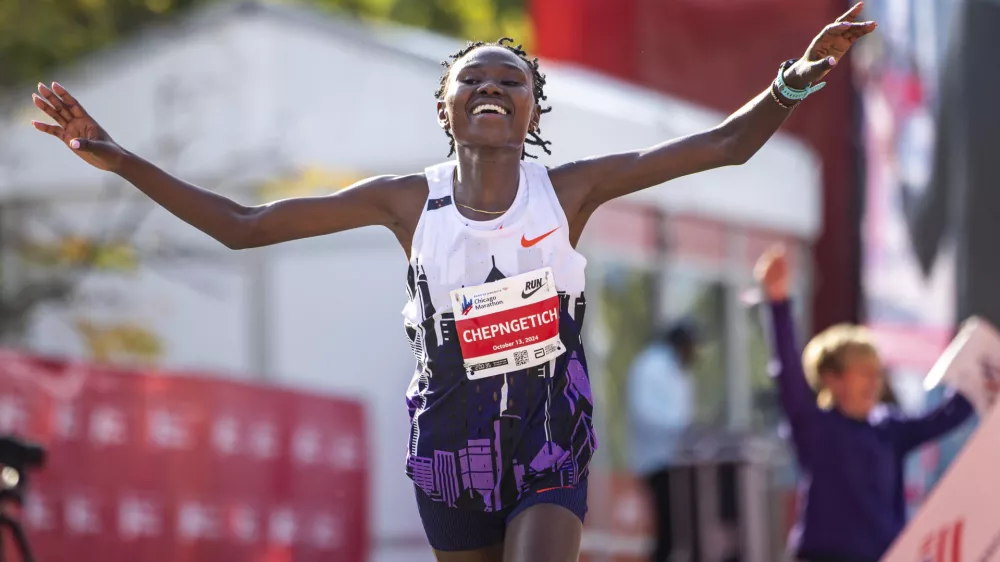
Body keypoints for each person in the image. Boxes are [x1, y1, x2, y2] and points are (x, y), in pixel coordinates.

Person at [29, 7, 875, 560]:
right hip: (449, 449)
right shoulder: (407, 201)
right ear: (446, 106)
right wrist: (118, 158)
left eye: (512, 81)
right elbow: (245, 227)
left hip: (548, 439)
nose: (494, 90)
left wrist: (793, 78)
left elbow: (720, 148)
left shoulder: (568, 190)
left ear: (534, 113)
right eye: (475, 79)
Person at [754, 246, 974, 562]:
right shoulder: (814, 428)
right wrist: (778, 302)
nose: (874, 382)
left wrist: (979, 369)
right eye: (864, 372)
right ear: (832, 379)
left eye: (877, 373)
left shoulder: (890, 428)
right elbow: (787, 371)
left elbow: (946, 417)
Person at [627, 321, 698, 562]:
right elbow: (646, 414)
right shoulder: (652, 367)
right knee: (668, 535)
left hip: (676, 462)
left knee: (679, 534)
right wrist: (681, 428)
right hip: (659, 462)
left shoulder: (676, 370)